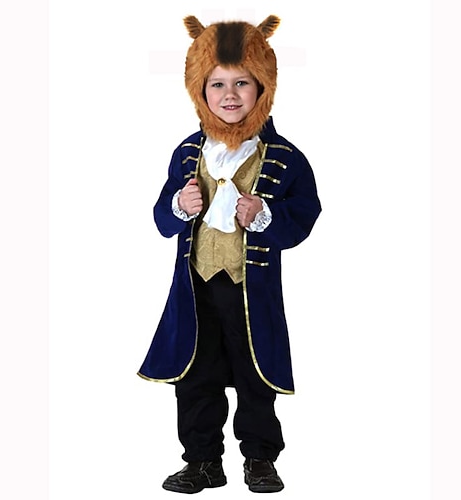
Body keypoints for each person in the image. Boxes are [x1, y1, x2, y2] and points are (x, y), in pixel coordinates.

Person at [138, 14, 321, 494]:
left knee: (254, 375)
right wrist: (179, 206)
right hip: (195, 289)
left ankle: (260, 459)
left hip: (250, 291)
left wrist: (265, 215)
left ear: (263, 87)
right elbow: (160, 217)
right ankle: (202, 461)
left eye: (242, 82)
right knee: (195, 377)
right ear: (200, 90)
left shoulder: (286, 157)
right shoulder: (186, 152)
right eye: (217, 83)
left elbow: (306, 214)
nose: (230, 94)